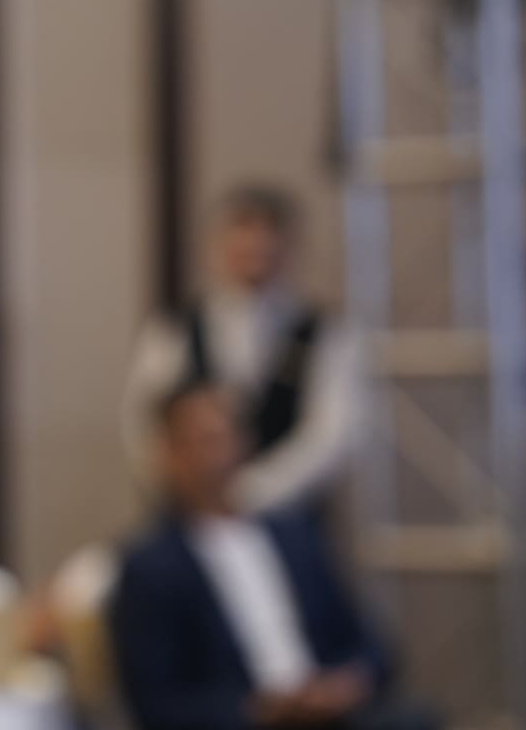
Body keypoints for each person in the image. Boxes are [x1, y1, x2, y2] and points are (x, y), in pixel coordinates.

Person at [110, 380, 467, 730]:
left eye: (226, 435)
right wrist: (259, 710)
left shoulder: (294, 537)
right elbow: (158, 708)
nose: (218, 454)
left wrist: (344, 686)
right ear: (169, 454)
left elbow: (374, 647)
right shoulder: (150, 567)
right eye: (202, 440)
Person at [120, 183, 364, 518]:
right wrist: (186, 484)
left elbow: (331, 435)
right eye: (243, 242)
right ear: (218, 246)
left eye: (266, 245)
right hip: (190, 512)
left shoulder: (325, 334)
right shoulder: (174, 328)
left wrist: (253, 491)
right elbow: (143, 420)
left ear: (289, 249)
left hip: (288, 515)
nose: (254, 254)